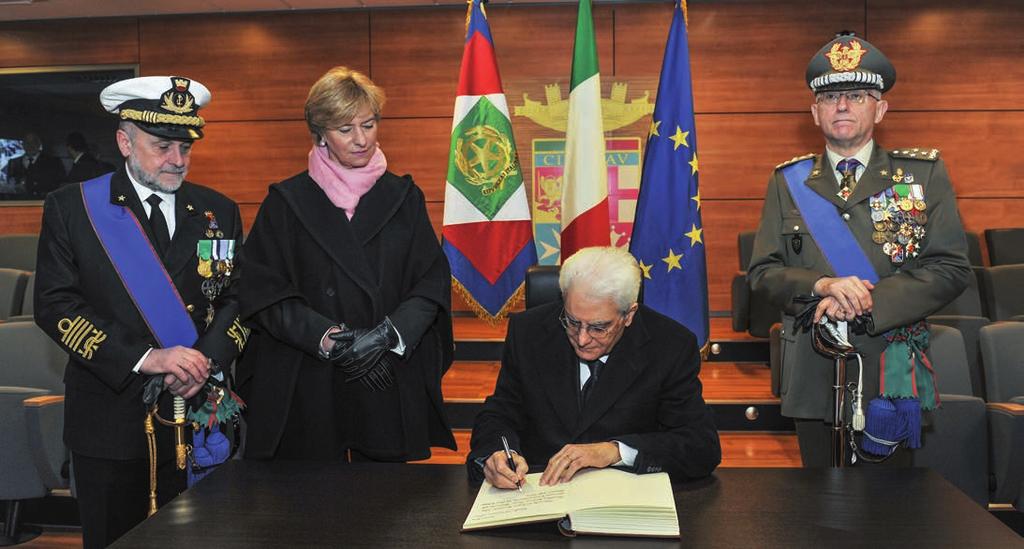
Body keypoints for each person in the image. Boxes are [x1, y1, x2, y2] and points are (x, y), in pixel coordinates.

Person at [35, 76, 245, 548]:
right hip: (110, 421)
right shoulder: (74, 209)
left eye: (185, 147)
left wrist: (204, 361)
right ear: (124, 142)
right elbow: (54, 306)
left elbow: (237, 300)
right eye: (162, 146)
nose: (177, 160)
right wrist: (147, 359)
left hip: (198, 415)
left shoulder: (217, 211)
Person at [747, 32, 971, 466]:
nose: (843, 106)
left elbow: (950, 268)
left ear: (880, 108)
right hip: (813, 369)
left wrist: (868, 302)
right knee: (818, 513)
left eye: (857, 94)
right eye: (831, 98)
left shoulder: (923, 174)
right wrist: (824, 285)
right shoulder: (787, 182)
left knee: (890, 515)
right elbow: (762, 273)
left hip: (891, 371)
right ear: (815, 113)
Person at [237, 66, 456, 461]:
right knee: (313, 507)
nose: (361, 140)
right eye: (345, 129)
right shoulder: (286, 202)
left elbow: (430, 282)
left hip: (384, 371)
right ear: (320, 133)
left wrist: (387, 336)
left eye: (369, 125)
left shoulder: (404, 197)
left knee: (388, 507)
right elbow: (262, 290)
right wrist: (329, 339)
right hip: (311, 376)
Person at [467, 246, 721, 488]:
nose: (582, 339)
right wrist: (498, 454)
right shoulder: (528, 332)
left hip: (622, 500)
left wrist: (614, 451)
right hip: (539, 490)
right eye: (572, 321)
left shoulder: (670, 346)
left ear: (629, 315)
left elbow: (700, 445)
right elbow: (499, 413)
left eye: (599, 327)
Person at [6, 132, 66, 198]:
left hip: (44, 203)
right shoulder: (13, 163)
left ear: (39, 144)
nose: (30, 145)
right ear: (23, 145)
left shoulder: (54, 162)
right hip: (19, 204)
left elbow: (61, 185)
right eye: (27, 142)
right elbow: (10, 186)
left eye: (34, 142)